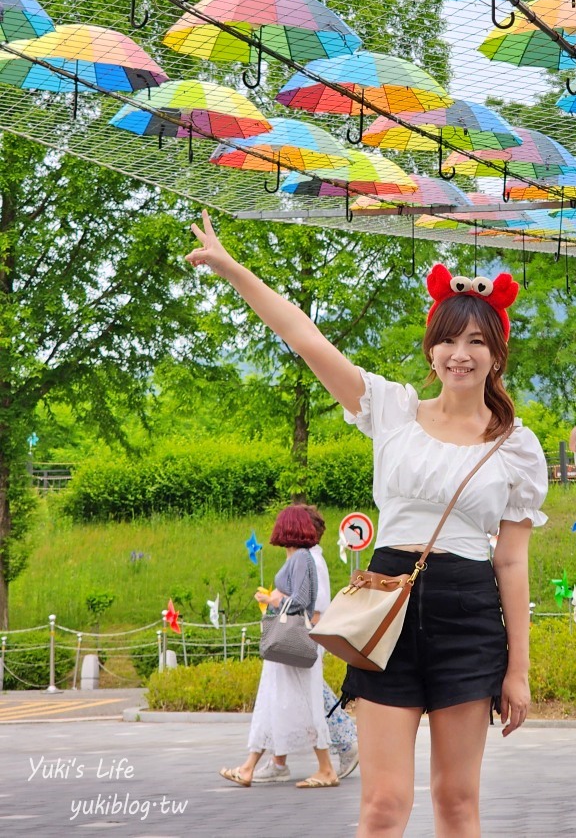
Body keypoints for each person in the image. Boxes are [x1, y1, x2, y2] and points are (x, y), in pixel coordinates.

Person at [186, 212, 548, 838]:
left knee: (458, 801)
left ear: (497, 354)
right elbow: (305, 338)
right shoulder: (392, 410)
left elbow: (511, 563)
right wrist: (229, 267)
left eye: (476, 343)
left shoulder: (517, 447)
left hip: (469, 615)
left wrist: (518, 669)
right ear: (431, 350)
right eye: (447, 341)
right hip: (386, 607)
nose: (460, 355)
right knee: (382, 805)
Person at [219, 503, 339, 789]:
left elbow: (302, 600)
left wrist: (273, 601)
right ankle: (249, 767)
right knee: (273, 701)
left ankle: (325, 769)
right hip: (291, 639)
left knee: (301, 703)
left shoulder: (301, 559)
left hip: (293, 638)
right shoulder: (301, 557)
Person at [251, 503, 359, 783]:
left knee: (308, 697)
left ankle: (345, 744)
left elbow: (314, 604)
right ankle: (278, 760)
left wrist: (277, 602)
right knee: (293, 696)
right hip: (305, 631)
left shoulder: (310, 560)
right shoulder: (305, 557)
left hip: (305, 632)